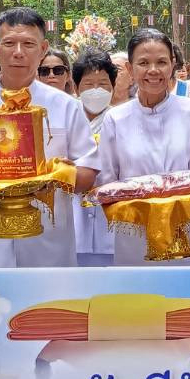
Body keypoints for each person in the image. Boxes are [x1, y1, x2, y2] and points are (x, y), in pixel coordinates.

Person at [0, 7, 99, 267]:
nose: (18, 52)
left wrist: (57, 176)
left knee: (48, 308)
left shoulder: (66, 105)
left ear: (43, 49)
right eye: (9, 43)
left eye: (28, 44)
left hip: (48, 244)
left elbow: (88, 171)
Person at [97, 28, 190, 266]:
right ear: (129, 69)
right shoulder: (116, 118)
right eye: (143, 63)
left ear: (173, 65)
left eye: (161, 62)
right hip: (137, 238)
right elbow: (107, 183)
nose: (153, 70)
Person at [71, 48, 118, 267]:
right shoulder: (66, 119)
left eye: (103, 84)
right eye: (89, 85)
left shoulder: (121, 120)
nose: (96, 90)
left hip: (112, 225)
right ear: (76, 87)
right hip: (72, 223)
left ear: (113, 87)